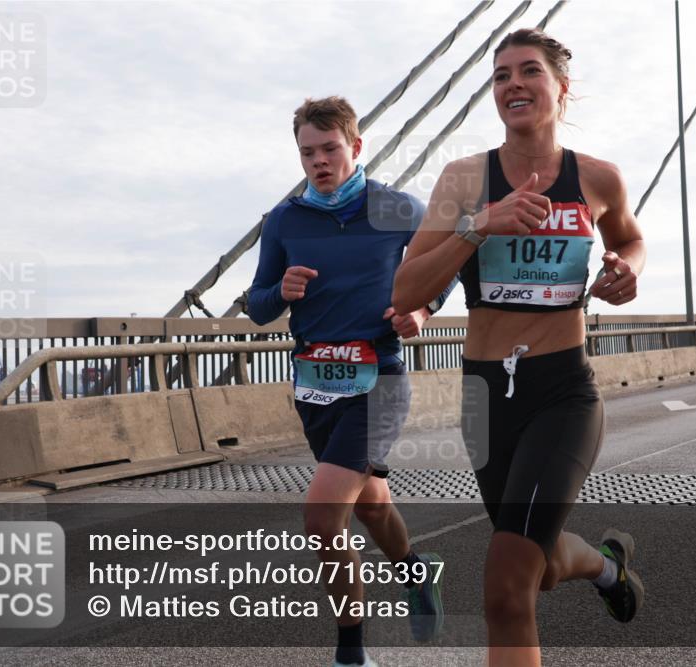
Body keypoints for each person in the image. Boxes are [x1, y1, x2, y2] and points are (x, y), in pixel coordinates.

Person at [391, 29, 646, 666]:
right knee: (538, 563)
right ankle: (607, 568)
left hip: (563, 392)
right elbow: (406, 288)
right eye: (501, 75)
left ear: (561, 88)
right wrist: (478, 227)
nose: (513, 84)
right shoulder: (464, 179)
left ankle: (599, 568)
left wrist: (627, 269)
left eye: (529, 71)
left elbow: (629, 239)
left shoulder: (598, 178)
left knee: (507, 587)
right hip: (484, 398)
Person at [247, 96, 453, 667]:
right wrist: (280, 291)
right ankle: (415, 570)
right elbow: (257, 306)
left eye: (329, 149)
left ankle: (351, 652)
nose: (318, 161)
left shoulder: (398, 208)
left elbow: (446, 268)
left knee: (322, 518)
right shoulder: (284, 221)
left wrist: (423, 310)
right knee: (370, 505)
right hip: (315, 385)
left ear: (356, 146)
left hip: (378, 380)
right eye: (307, 153)